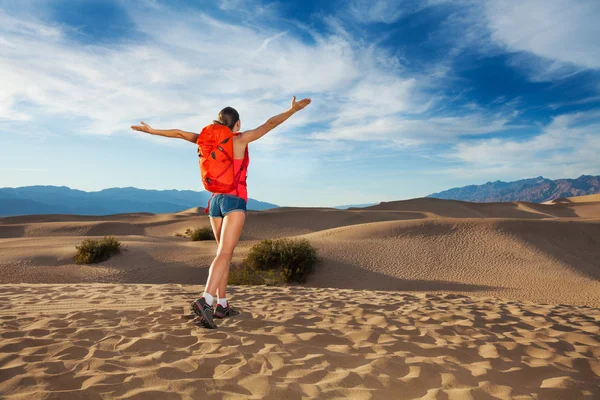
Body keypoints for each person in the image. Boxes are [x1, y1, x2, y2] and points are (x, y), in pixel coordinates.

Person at [131, 96, 312, 328]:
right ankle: (205, 300)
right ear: (236, 124)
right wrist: (292, 110)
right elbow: (269, 124)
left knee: (222, 254)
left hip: (215, 202)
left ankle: (222, 305)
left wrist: (153, 131)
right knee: (225, 254)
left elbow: (178, 133)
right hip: (234, 200)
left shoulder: (206, 139)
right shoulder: (239, 140)